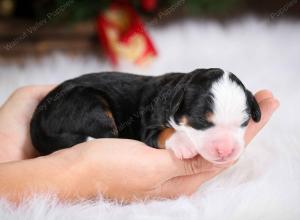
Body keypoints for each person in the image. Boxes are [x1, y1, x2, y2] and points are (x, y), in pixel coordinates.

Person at [0, 86, 279, 203]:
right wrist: (78, 172)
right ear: (178, 108)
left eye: (240, 123)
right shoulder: (165, 104)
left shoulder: (176, 98)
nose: (225, 145)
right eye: (203, 124)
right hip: (80, 106)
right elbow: (151, 131)